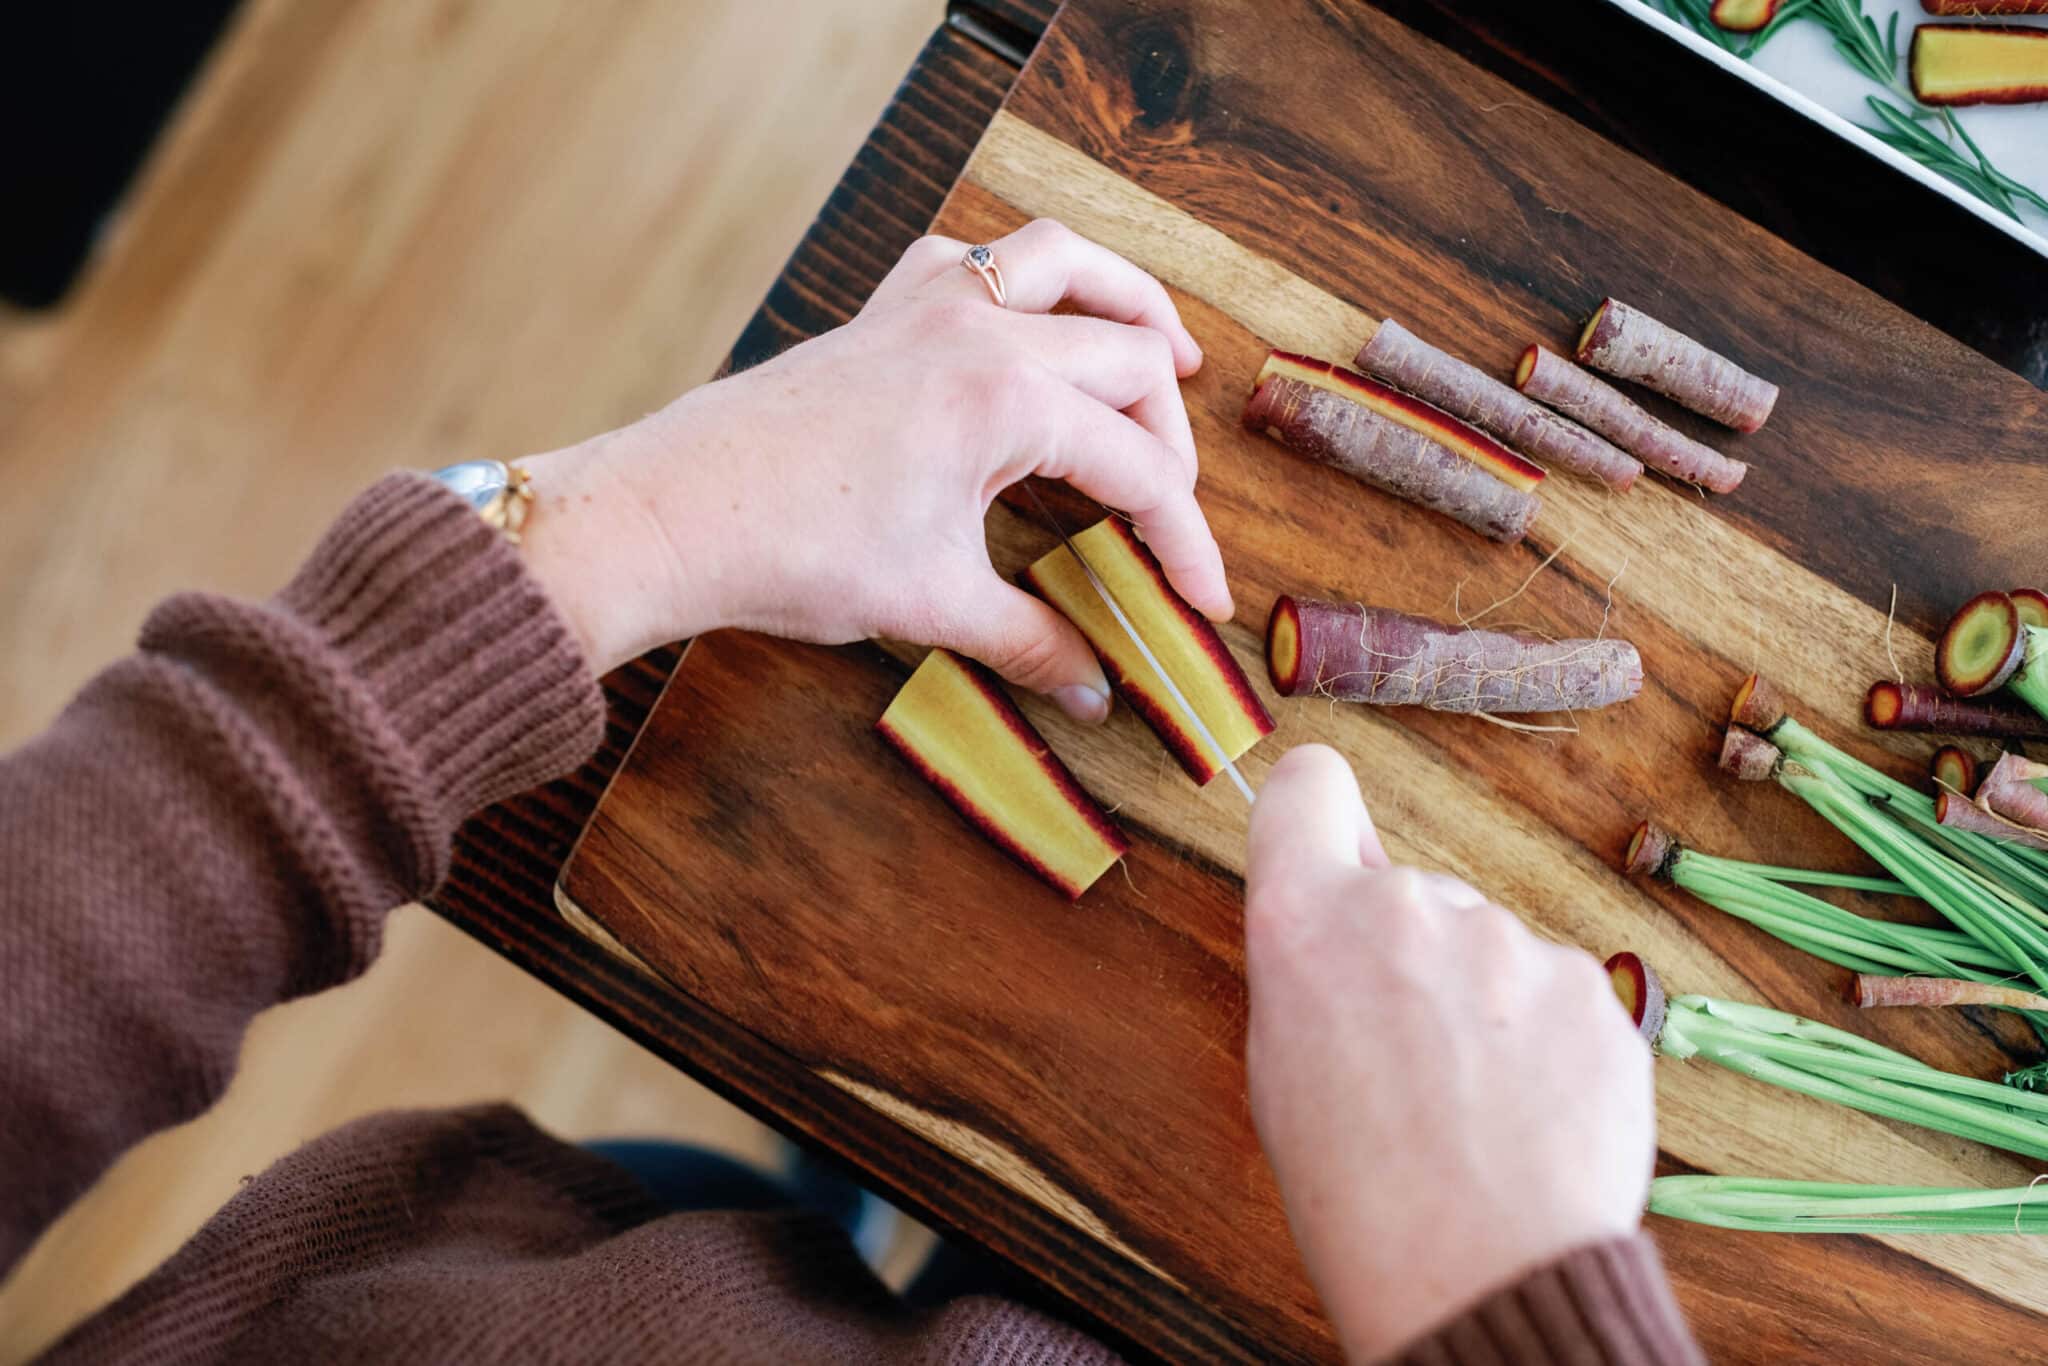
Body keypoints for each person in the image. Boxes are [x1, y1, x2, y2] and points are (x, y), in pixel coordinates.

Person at [1, 219, 1698, 1363]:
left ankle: (849, 1206)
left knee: (750, 1198)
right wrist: (1502, 1304)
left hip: (529, 1283)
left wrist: (649, 519)